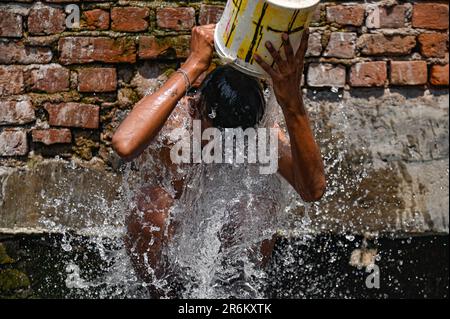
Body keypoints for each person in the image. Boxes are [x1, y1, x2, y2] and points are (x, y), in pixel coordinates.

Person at [112, 24, 326, 297]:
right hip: (169, 254)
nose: (227, 145)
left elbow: (313, 189)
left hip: (227, 254)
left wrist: (291, 98)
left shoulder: (261, 133)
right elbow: (124, 143)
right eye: (218, 134)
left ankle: (237, 296)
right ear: (196, 108)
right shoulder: (176, 121)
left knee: (258, 208)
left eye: (238, 138)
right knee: (149, 204)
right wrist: (194, 63)